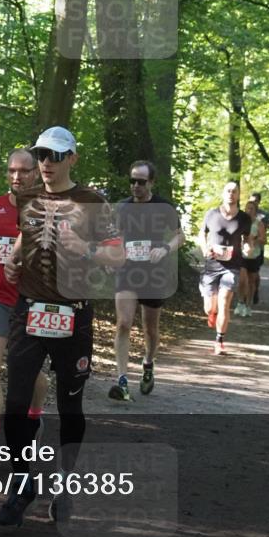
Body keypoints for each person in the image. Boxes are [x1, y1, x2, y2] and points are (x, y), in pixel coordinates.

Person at [0, 126, 125, 527]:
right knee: (16, 404)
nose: (46, 164)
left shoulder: (94, 203)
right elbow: (24, 234)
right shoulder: (28, 197)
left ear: (73, 157)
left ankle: (65, 482)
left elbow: (118, 257)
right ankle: (21, 482)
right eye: (41, 156)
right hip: (29, 311)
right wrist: (14, 258)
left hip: (74, 313)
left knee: (70, 405)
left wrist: (85, 248)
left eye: (55, 156)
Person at [0, 149, 49, 462]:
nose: (17, 177)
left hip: (33, 301)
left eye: (24, 171)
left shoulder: (48, 209)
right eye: (12, 171)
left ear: (36, 173)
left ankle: (34, 415)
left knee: (28, 373)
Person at [109, 160, 184, 402]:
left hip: (153, 274)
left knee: (150, 329)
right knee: (123, 323)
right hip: (128, 271)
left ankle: (148, 362)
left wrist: (165, 249)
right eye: (132, 181)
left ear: (151, 182)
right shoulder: (122, 207)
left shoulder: (163, 207)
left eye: (141, 181)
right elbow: (115, 237)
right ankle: (121, 381)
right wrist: (113, 255)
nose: (135, 186)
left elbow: (179, 236)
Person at [198, 181, 252, 356]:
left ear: (238, 195)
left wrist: (247, 247)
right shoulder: (212, 214)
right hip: (212, 265)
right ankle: (211, 313)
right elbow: (202, 233)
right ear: (223, 193)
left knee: (224, 302)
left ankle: (219, 341)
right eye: (228, 191)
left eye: (234, 191)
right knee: (210, 308)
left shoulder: (244, 218)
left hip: (232, 266)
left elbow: (247, 239)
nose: (231, 194)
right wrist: (205, 248)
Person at [235, 196, 266, 317]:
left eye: (251, 209)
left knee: (252, 282)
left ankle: (248, 305)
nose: (249, 210)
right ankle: (240, 303)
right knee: (242, 280)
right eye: (247, 208)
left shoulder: (259, 224)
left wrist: (255, 239)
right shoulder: (241, 222)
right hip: (242, 254)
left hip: (254, 255)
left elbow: (264, 240)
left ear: (255, 211)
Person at [248, 191, 269, 303]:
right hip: (245, 248)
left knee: (255, 272)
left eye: (256, 201)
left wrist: (265, 225)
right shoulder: (245, 212)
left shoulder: (264, 215)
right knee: (244, 272)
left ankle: (255, 290)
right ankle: (246, 293)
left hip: (258, 248)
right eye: (251, 200)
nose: (253, 203)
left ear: (259, 201)